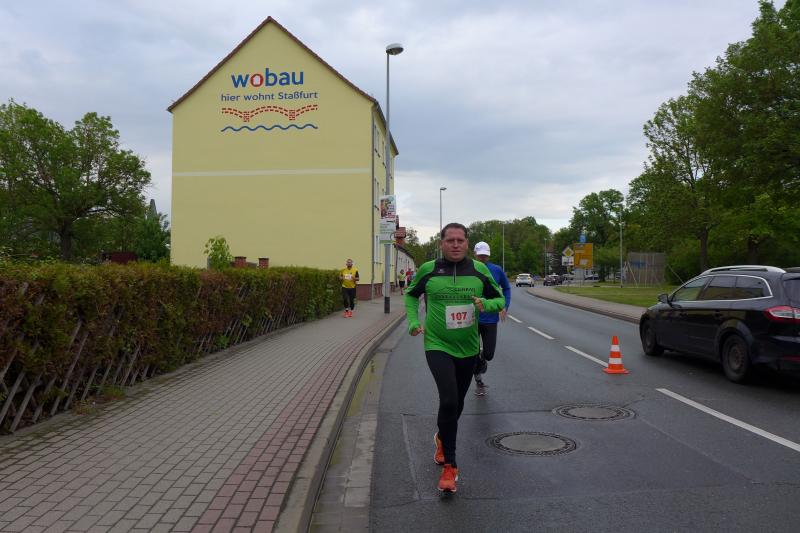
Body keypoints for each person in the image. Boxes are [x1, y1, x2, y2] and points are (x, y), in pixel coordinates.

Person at [405, 223, 505, 493]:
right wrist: (413, 321)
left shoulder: (479, 270)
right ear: (441, 243)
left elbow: (499, 299)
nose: (456, 244)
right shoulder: (429, 270)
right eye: (450, 240)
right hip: (437, 344)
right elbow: (411, 295)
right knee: (448, 399)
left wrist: (487, 304)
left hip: (468, 348)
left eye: (460, 240)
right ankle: (450, 465)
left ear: (467, 243)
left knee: (457, 403)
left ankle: (442, 436)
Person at [471, 242, 511, 396]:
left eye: (485, 255)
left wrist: (504, 306)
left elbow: (506, 288)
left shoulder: (496, 270)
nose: (483, 258)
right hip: (472, 318)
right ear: (475, 253)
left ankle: (482, 359)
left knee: (489, 354)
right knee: (472, 353)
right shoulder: (468, 268)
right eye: (480, 255)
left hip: (490, 318)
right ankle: (478, 379)